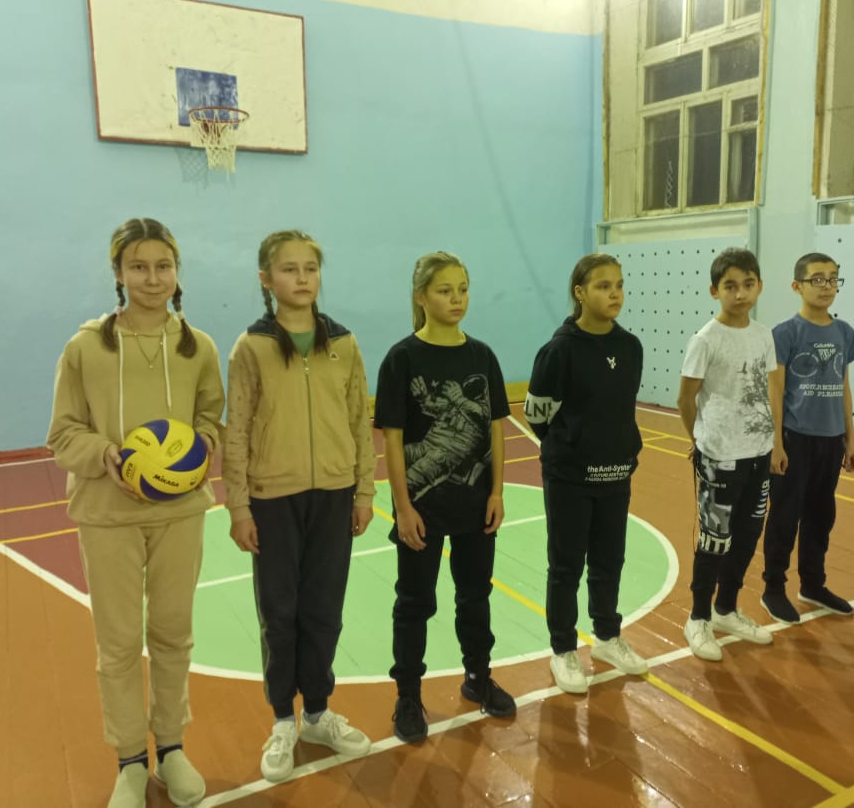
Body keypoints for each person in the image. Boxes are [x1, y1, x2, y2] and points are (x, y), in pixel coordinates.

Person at [47, 218, 224, 808]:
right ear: (119, 274)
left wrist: (199, 449)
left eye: (163, 266)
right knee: (119, 642)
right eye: (139, 267)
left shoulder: (198, 347)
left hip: (181, 513)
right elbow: (62, 433)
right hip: (106, 513)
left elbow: (211, 421)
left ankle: (171, 747)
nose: (152, 278)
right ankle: (129, 759)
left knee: (173, 633)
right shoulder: (85, 348)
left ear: (177, 272)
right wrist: (108, 457)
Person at [223, 230, 376, 782]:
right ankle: (282, 720)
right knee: (280, 613)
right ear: (266, 279)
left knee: (324, 611)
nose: (302, 278)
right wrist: (238, 506)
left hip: (334, 495)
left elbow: (359, 420)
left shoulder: (344, 343)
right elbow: (237, 430)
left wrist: (364, 491)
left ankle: (316, 713)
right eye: (288, 269)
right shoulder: (252, 347)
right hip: (272, 499)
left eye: (310, 267)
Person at [374, 252, 516, 743]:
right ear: (421, 296)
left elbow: (497, 429)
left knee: (475, 596)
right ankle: (408, 697)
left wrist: (496, 491)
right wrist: (403, 507)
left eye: (462, 289)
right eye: (444, 290)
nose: (456, 299)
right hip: (422, 509)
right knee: (414, 603)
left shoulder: (482, 356)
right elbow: (393, 441)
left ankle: (478, 677)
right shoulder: (401, 358)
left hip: (475, 506)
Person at [524, 253, 648, 694]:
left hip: (617, 476)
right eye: (603, 286)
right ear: (580, 293)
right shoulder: (560, 350)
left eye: (619, 285)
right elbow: (537, 415)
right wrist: (572, 447)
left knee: (610, 560)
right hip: (571, 480)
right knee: (566, 566)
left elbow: (621, 408)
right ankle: (563, 649)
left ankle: (608, 637)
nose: (614, 294)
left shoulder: (630, 346)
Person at [677, 247, 777, 662]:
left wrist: (775, 443)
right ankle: (698, 617)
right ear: (715, 291)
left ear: (759, 286)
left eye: (748, 284)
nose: (740, 293)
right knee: (714, 541)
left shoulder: (764, 335)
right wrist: (701, 440)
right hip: (720, 457)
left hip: (759, 455)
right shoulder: (705, 339)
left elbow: (768, 389)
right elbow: (686, 399)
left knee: (748, 536)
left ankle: (726, 608)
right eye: (730, 286)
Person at [761, 253, 854, 624]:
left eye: (833, 278)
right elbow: (775, 392)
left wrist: (850, 438)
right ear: (797, 286)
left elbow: (843, 386)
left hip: (830, 440)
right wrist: (776, 442)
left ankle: (813, 584)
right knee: (785, 516)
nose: (826, 286)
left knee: (821, 516)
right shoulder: (785, 333)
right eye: (817, 279)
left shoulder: (844, 332)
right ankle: (773, 588)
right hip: (795, 438)